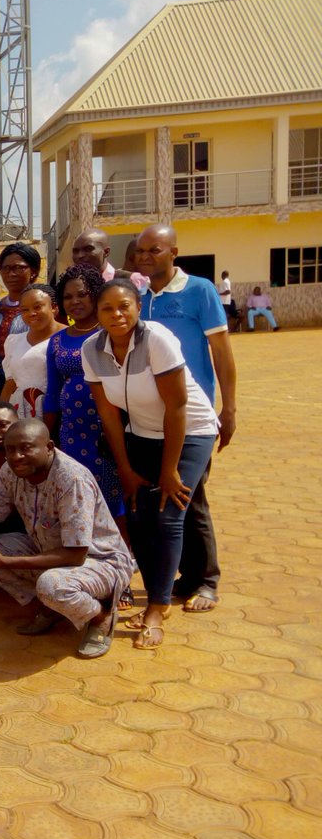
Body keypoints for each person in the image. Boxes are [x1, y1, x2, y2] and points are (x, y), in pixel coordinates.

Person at [84, 279, 219, 649]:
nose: (117, 314)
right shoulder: (92, 349)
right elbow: (109, 416)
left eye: (124, 306)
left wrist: (169, 470)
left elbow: (177, 406)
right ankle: (158, 590)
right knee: (137, 515)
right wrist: (126, 469)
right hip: (142, 434)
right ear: (97, 313)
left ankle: (158, 607)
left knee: (169, 514)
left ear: (138, 307)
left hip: (190, 431)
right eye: (107, 308)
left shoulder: (156, 339)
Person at [0, 420, 137, 659]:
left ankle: (100, 616)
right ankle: (51, 606)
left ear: (49, 447)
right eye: (10, 450)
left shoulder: (72, 479)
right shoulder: (10, 470)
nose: (16, 456)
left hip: (100, 561)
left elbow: (75, 555)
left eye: (26, 448)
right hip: (47, 549)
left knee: (51, 586)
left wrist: (4, 562)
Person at [136, 223, 237, 613]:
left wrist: (229, 409)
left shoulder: (200, 290)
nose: (146, 257)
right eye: (140, 251)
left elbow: (222, 353)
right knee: (164, 499)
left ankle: (206, 580)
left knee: (190, 499)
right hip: (151, 418)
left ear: (173, 252)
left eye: (155, 250)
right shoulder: (139, 297)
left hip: (193, 416)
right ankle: (185, 576)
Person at [44, 264, 125, 520]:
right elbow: (53, 392)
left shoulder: (111, 333)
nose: (75, 301)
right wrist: (47, 434)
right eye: (68, 297)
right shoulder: (58, 340)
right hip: (72, 432)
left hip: (110, 428)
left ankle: (120, 543)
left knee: (115, 496)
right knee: (78, 495)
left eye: (82, 294)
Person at [0, 243, 42, 401]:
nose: (11, 274)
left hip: (30, 380)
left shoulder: (43, 308)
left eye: (18, 268)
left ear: (33, 271)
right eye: (6, 268)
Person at [1, 283, 65, 419]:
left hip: (60, 412)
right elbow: (10, 383)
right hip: (20, 412)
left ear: (54, 307)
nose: (31, 314)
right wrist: (2, 414)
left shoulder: (68, 337)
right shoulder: (14, 341)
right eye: (25, 309)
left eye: (37, 307)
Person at [71, 227, 149, 288]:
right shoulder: (72, 286)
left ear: (106, 252)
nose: (80, 255)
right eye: (75, 251)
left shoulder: (134, 281)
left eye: (88, 249)